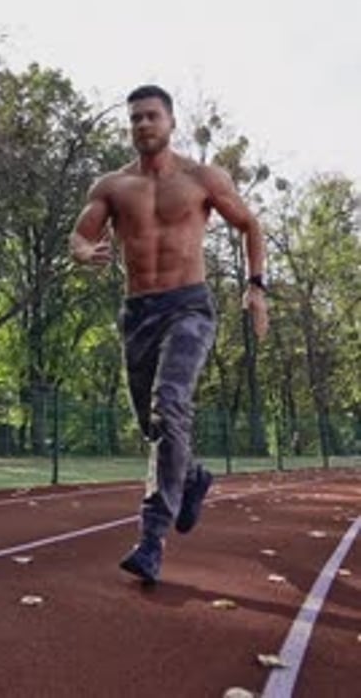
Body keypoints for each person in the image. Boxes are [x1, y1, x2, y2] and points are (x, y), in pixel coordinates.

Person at [70, 85, 269, 584]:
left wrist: (257, 288)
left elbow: (249, 225)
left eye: (151, 116)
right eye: (134, 118)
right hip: (138, 313)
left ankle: (151, 539)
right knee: (153, 425)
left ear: (171, 122)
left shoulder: (203, 179)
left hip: (189, 306)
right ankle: (194, 475)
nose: (142, 125)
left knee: (170, 401)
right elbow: (81, 234)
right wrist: (78, 251)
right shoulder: (112, 186)